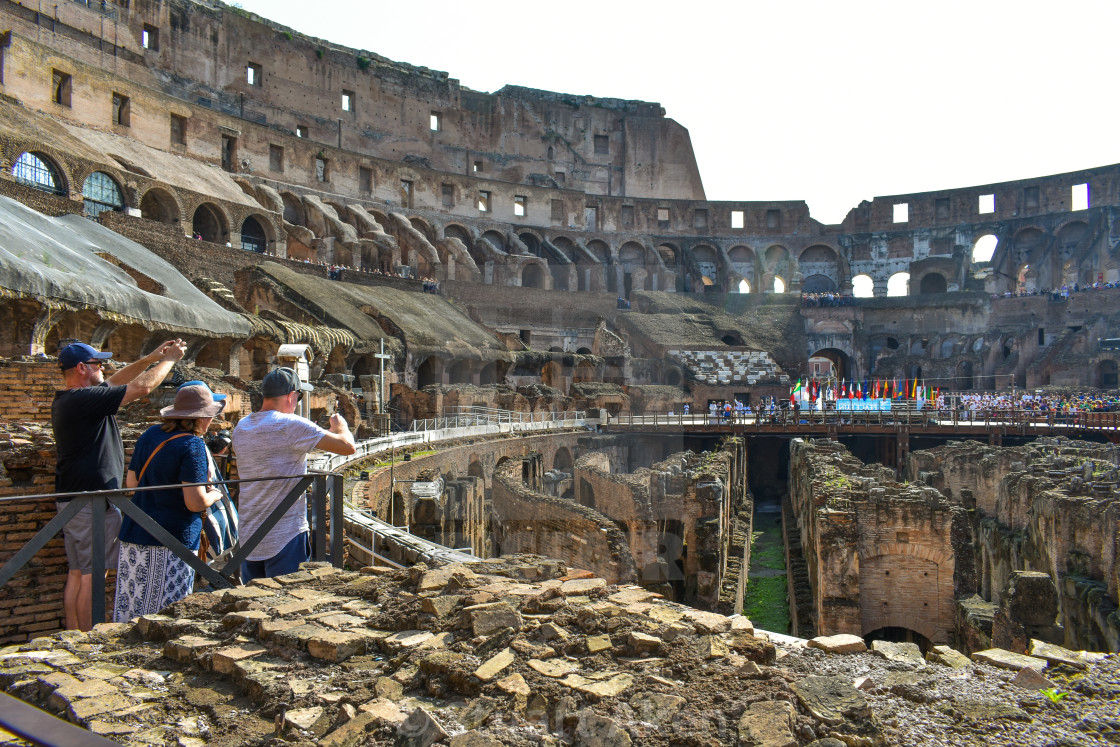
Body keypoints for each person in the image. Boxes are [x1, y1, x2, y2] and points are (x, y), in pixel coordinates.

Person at [51, 339, 187, 630]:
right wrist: (171, 360)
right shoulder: (81, 400)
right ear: (81, 368)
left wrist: (150, 356)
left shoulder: (75, 399)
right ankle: (87, 642)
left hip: (74, 499)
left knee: (78, 572)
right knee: (92, 574)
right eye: (97, 363)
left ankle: (73, 637)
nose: (104, 367)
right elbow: (141, 388)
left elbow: (115, 380)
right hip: (91, 503)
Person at [113, 382, 226, 622]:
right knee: (167, 614)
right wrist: (216, 494)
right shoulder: (192, 445)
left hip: (135, 534)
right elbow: (195, 503)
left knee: (132, 609)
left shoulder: (150, 434)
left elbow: (132, 484)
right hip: (173, 539)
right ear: (201, 417)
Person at [232, 368, 356, 581]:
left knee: (252, 600)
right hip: (285, 533)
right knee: (284, 600)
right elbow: (347, 447)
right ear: (291, 396)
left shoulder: (241, 427)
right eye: (298, 398)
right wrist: (341, 426)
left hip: (249, 534)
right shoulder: (291, 425)